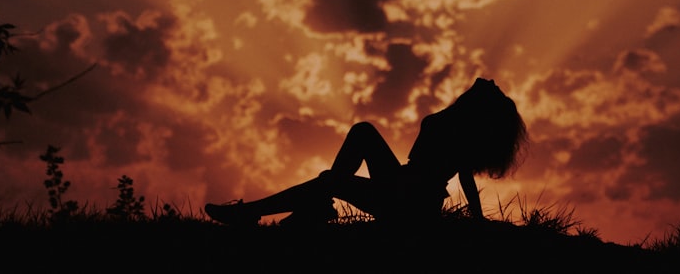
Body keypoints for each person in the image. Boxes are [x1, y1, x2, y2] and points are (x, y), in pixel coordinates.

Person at [204, 77, 528, 226]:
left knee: (330, 178)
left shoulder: (460, 130)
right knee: (360, 135)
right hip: (401, 186)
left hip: (406, 200)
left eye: (492, 89)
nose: (489, 81)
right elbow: (465, 175)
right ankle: (314, 206)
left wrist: (478, 219)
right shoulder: (456, 122)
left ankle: (255, 212)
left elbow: (466, 178)